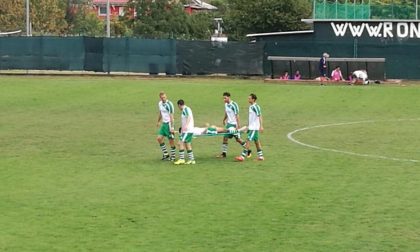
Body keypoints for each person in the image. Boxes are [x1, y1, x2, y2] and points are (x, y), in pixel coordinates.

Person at [217, 92, 250, 158]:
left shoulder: (234, 105)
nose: (224, 100)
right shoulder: (226, 104)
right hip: (229, 124)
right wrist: (224, 119)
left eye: (225, 98)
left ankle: (248, 150)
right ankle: (224, 154)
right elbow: (226, 112)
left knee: (238, 139)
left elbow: (237, 115)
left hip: (234, 125)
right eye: (223, 98)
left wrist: (238, 125)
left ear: (229, 97)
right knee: (225, 138)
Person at [235, 93, 264, 162]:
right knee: (256, 142)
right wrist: (248, 126)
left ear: (253, 99)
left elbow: (260, 116)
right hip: (252, 127)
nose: (248, 99)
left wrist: (261, 126)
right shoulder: (251, 106)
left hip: (254, 128)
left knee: (248, 140)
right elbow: (251, 118)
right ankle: (261, 156)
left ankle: (242, 156)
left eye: (249, 98)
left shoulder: (255, 107)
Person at [174, 99, 196, 165]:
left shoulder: (185, 109)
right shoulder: (187, 109)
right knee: (187, 144)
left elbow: (189, 117)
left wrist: (186, 125)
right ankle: (192, 160)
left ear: (179, 105)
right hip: (188, 130)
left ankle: (181, 159)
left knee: (180, 143)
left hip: (187, 130)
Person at [156, 91, 176, 161]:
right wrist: (158, 121)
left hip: (169, 124)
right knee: (159, 138)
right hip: (164, 124)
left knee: (171, 141)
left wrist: (172, 127)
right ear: (160, 98)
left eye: (164, 97)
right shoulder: (160, 103)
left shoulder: (169, 104)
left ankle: (173, 157)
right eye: (162, 98)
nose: (163, 98)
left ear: (166, 96)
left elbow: (172, 117)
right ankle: (166, 154)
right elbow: (160, 113)